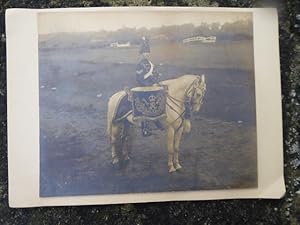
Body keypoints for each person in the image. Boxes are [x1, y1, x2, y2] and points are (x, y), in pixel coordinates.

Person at [135, 37, 164, 136]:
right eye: (145, 53)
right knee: (146, 104)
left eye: (148, 53)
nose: (147, 54)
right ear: (142, 54)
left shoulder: (150, 64)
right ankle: (145, 128)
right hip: (143, 87)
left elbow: (153, 75)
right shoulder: (139, 65)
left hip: (151, 86)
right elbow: (140, 78)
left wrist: (157, 79)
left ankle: (157, 119)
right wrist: (150, 85)